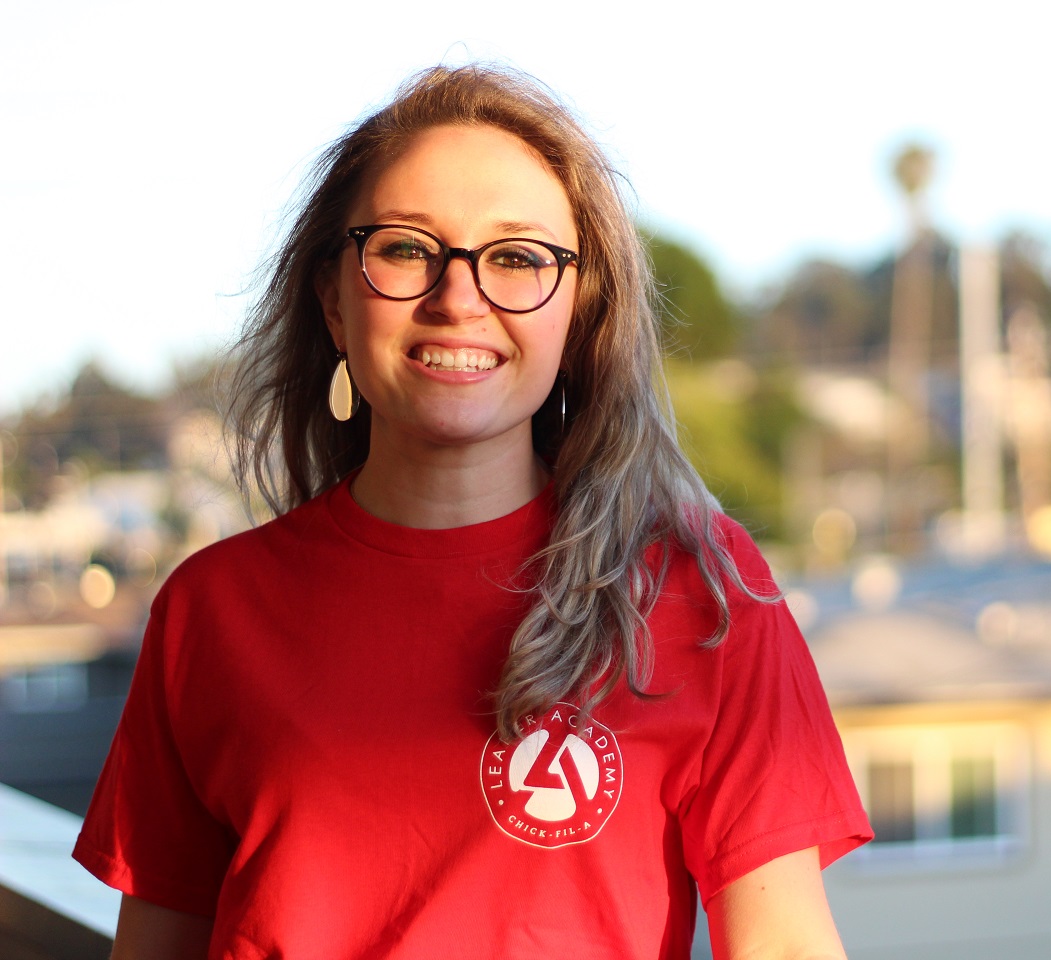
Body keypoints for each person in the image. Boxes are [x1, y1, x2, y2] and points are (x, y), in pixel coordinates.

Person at [73, 64, 871, 959]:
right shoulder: (210, 610)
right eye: (407, 248)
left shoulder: (698, 585)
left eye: (518, 259)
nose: (459, 298)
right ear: (334, 301)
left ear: (579, 312)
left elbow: (786, 944)